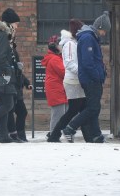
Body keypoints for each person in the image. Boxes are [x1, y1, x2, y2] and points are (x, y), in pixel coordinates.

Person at [62, 11, 111, 143]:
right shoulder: (88, 38)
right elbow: (88, 62)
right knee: (93, 107)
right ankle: (71, 127)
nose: (105, 34)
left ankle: (96, 135)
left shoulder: (90, 37)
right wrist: (97, 76)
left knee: (94, 107)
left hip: (91, 78)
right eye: (104, 30)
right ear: (100, 27)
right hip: (91, 79)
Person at [49, 21, 88, 142]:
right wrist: (83, 74)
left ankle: (88, 135)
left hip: (75, 80)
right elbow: (70, 64)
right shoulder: (70, 44)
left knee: (80, 109)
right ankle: (55, 134)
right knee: (74, 110)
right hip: (73, 81)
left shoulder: (72, 43)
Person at [3, 8, 32, 143]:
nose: (17, 26)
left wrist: (26, 81)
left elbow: (16, 67)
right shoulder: (6, 42)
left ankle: (20, 135)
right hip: (11, 84)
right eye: (15, 23)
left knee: (21, 112)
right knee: (10, 111)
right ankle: (12, 134)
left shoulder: (12, 44)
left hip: (17, 84)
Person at [42, 34, 68, 141]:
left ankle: (54, 133)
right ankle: (53, 134)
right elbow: (64, 72)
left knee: (62, 113)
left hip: (57, 89)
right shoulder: (55, 59)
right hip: (56, 90)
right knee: (58, 114)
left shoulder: (54, 58)